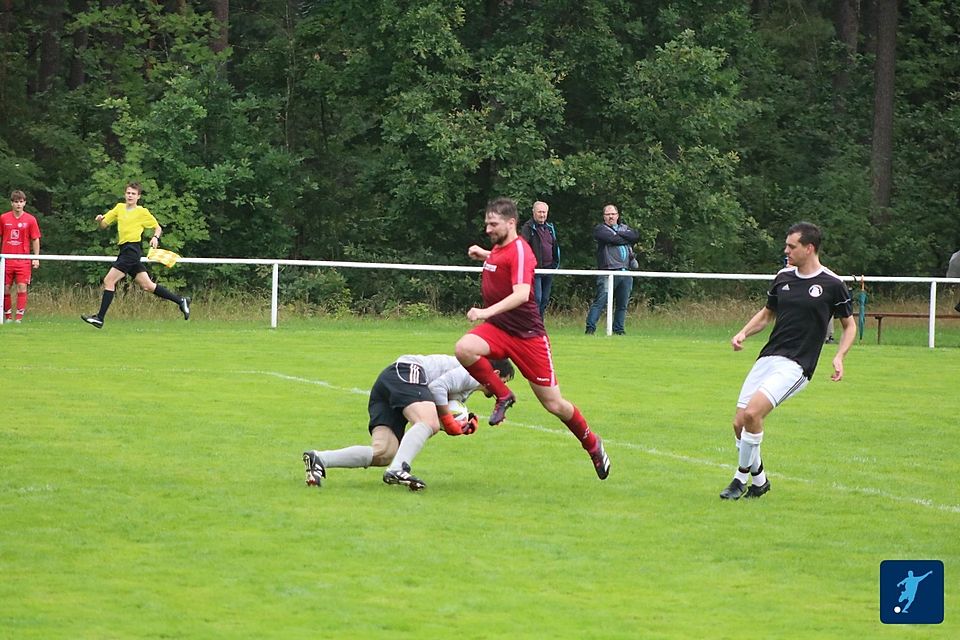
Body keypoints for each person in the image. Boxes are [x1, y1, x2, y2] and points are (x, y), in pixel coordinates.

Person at [455, 196, 611, 480]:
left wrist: (484, 311)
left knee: (554, 405)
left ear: (511, 223)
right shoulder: (500, 248)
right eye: (486, 223)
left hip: (529, 338)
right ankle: (504, 395)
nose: (488, 229)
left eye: (493, 224)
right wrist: (485, 254)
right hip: (500, 329)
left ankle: (592, 444)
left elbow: (521, 293)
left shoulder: (521, 250)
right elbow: (502, 261)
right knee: (464, 348)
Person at [720, 222, 855, 500]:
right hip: (768, 357)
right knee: (738, 423)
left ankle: (739, 478)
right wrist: (743, 332)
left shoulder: (832, 284)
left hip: (797, 365)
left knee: (752, 415)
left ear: (809, 248)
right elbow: (768, 314)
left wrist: (839, 356)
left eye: (791, 246)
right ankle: (760, 481)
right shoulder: (783, 277)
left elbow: (849, 326)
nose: (786, 251)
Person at [303, 355, 514, 491]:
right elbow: (437, 389)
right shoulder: (472, 373)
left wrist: (459, 425)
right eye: (502, 383)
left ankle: (320, 459)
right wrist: (448, 422)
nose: (499, 390)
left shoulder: (468, 387)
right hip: (406, 372)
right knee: (427, 422)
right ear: (494, 374)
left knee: (383, 452)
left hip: (391, 382)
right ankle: (398, 470)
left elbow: (435, 402)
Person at [81, 182, 190, 328]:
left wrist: (155, 238)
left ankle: (100, 318)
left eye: (133, 193)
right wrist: (100, 220)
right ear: (125, 194)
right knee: (147, 286)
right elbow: (104, 225)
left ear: (138, 196)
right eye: (128, 193)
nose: (130, 196)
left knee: (109, 281)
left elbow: (157, 227)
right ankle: (181, 301)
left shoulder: (142, 212)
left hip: (132, 251)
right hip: (124, 250)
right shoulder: (119, 208)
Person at [584, 204, 639, 335]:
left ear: (617, 215)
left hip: (626, 272)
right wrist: (625, 238)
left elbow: (635, 236)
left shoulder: (624, 228)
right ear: (604, 217)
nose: (611, 217)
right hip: (608, 272)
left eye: (613, 214)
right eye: (608, 214)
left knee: (622, 304)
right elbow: (611, 238)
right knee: (601, 301)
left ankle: (619, 330)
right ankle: (590, 328)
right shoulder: (600, 229)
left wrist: (620, 234)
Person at [1, 190, 42, 323]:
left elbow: (35, 239)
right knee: (5, 288)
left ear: (24, 203)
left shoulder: (30, 219)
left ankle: (18, 318)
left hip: (23, 260)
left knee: (22, 287)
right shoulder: (3, 218)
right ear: (11, 203)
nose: (18, 204)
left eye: (21, 202)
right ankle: (7, 317)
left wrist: (36, 258)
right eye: (16, 202)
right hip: (6, 259)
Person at [519, 200, 560, 318]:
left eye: (544, 212)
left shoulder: (550, 228)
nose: (542, 215)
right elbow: (523, 247)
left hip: (549, 269)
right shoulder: (528, 228)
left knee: (545, 299)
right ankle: (532, 324)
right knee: (536, 298)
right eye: (540, 212)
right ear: (533, 212)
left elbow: (555, 247)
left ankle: (539, 324)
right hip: (535, 270)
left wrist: (555, 264)